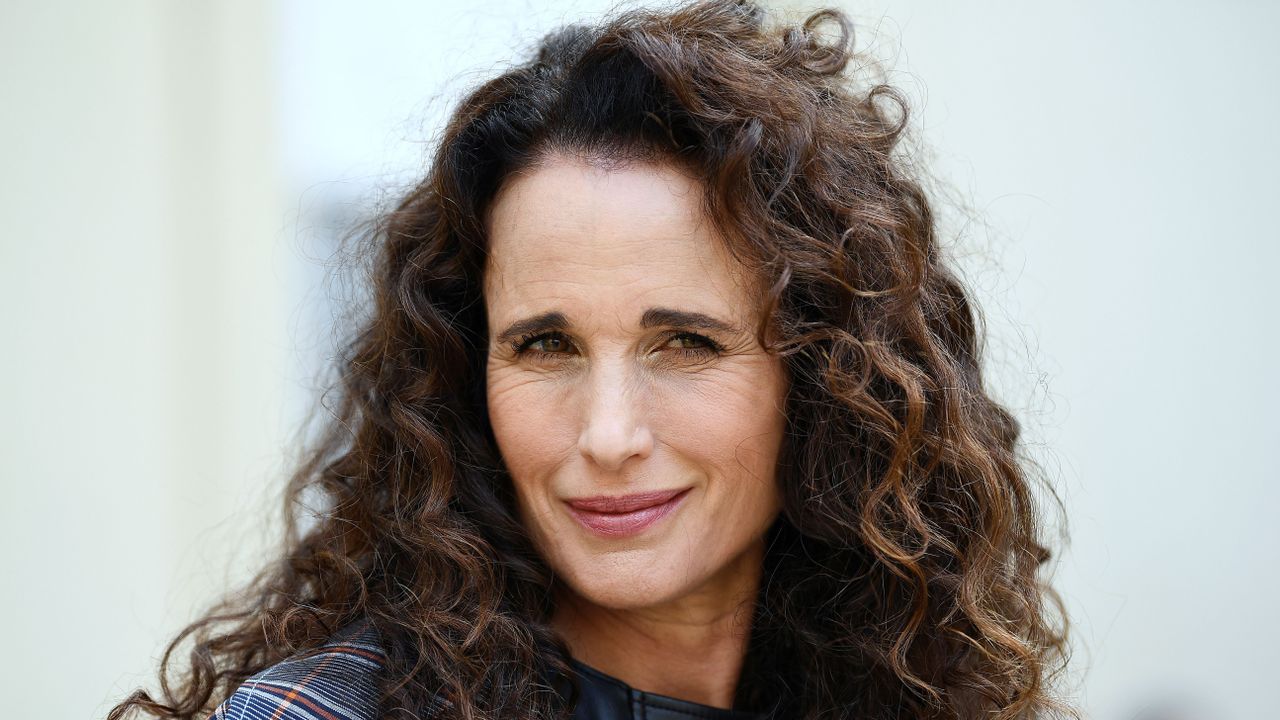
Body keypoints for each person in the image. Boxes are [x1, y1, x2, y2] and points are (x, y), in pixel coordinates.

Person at [108, 1, 1074, 719]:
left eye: (685, 342)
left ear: (828, 379)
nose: (607, 434)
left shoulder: (907, 692)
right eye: (545, 345)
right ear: (463, 372)